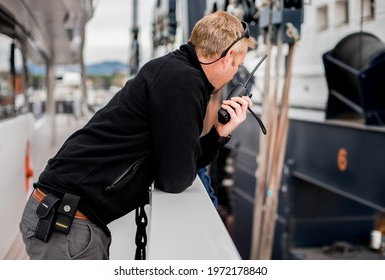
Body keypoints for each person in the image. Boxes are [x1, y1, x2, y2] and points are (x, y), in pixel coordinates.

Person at [19, 10, 256, 260]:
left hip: (59, 217)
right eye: (238, 65)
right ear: (228, 56)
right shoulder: (184, 81)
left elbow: (179, 158)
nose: (234, 75)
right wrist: (213, 140)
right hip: (64, 225)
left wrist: (218, 134)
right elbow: (175, 178)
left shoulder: (173, 69)